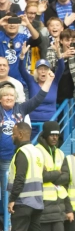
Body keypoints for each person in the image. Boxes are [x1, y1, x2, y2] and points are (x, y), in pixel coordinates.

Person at [0, 71, 54, 209]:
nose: (8, 98)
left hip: (13, 157)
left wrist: (48, 82)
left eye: (11, 95)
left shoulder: (21, 108)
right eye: (5, 95)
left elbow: (38, 99)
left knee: (8, 190)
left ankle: (6, 218)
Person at [18, 41, 64, 139]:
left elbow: (61, 68)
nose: (43, 71)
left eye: (45, 69)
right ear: (36, 71)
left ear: (49, 71)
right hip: (33, 122)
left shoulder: (54, 81)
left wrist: (59, 54)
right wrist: (22, 56)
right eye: (40, 69)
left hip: (50, 121)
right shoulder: (31, 81)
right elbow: (21, 70)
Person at [7, 122, 44, 231]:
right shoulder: (37, 152)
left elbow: (20, 178)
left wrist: (12, 199)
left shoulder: (22, 152)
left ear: (21, 134)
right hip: (37, 203)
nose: (12, 136)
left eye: (14, 134)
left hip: (22, 202)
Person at [36, 121, 69, 231]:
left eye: (57, 135)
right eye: (51, 135)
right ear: (45, 135)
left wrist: (52, 174)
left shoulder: (60, 153)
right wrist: (57, 173)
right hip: (43, 205)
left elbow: (66, 176)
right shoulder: (37, 151)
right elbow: (40, 176)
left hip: (59, 206)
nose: (55, 138)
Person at [46, 28, 75, 104]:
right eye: (67, 40)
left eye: (72, 40)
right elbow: (50, 65)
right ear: (61, 41)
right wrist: (63, 56)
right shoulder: (52, 49)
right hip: (57, 84)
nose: (70, 43)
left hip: (71, 85)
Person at [0, 13, 42, 89]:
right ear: (4, 25)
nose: (12, 25)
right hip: (1, 83)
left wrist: (28, 24)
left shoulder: (23, 38)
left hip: (21, 83)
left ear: (19, 24)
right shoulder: (0, 36)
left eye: (15, 22)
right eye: (9, 22)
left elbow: (38, 40)